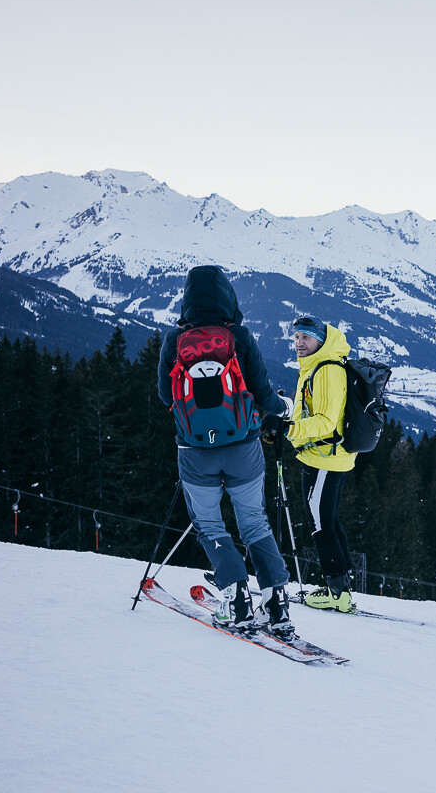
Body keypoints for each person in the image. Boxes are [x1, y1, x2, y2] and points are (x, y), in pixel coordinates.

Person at [156, 265, 295, 635]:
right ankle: (276, 602)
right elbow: (264, 395)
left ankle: (235, 598)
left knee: (209, 525)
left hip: (194, 451)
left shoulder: (175, 341)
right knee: (254, 522)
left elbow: (166, 396)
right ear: (228, 299)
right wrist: (283, 408)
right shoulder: (240, 337)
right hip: (243, 448)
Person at [264, 314, 357, 612]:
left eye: (306, 337)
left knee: (320, 522)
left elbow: (327, 422)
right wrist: (287, 415)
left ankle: (337, 592)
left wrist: (289, 430)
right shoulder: (315, 365)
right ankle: (343, 584)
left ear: (320, 340)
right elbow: (308, 409)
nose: (299, 343)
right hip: (322, 455)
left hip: (326, 457)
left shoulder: (328, 369)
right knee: (327, 519)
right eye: (296, 337)